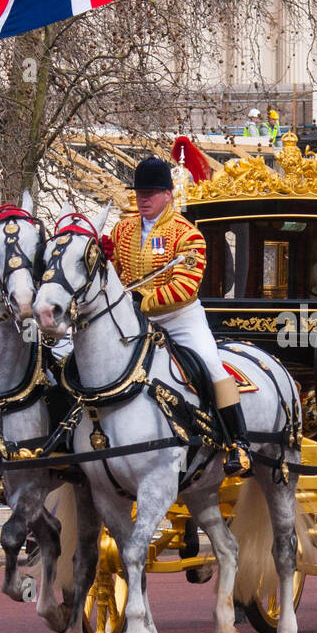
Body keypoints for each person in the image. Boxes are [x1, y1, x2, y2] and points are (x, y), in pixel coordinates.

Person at [110, 157, 249, 475]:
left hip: (179, 319)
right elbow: (114, 275)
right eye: (140, 192)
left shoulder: (188, 235)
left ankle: (237, 443)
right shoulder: (121, 231)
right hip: (133, 321)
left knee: (213, 367)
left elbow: (185, 287)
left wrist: (139, 302)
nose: (143, 198)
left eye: (151, 193)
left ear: (168, 195)